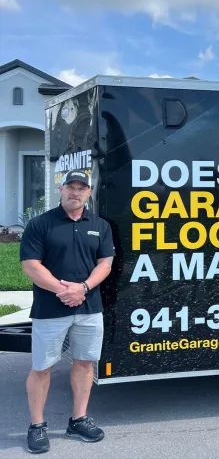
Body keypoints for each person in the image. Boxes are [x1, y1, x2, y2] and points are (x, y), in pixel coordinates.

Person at [19, 169, 115, 454]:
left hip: (88, 307)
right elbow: (31, 266)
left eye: (81, 188)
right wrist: (64, 291)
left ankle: (78, 419)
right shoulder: (40, 224)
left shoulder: (100, 225)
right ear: (61, 189)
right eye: (70, 187)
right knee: (42, 367)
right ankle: (37, 426)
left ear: (89, 193)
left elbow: (105, 263)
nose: (75, 192)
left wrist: (82, 288)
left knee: (85, 363)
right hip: (50, 309)